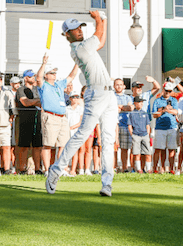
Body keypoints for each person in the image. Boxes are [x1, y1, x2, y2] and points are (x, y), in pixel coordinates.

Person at [46, 11, 119, 196]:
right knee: (82, 135)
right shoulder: (80, 48)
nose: (78, 30)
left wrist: (105, 19)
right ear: (67, 35)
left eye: (79, 27)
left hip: (109, 95)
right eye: (74, 29)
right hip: (96, 94)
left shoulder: (88, 46)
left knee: (108, 141)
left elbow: (101, 42)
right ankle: (55, 171)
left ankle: (107, 184)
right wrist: (98, 19)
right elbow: (98, 34)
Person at [36, 57, 78, 176]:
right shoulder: (43, 85)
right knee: (48, 144)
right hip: (50, 116)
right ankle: (48, 170)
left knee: (63, 144)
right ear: (46, 75)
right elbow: (38, 78)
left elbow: (71, 76)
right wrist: (43, 64)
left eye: (55, 73)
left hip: (62, 117)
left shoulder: (59, 85)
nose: (54, 74)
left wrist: (77, 64)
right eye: (51, 73)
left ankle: (59, 169)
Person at [15, 69, 43, 174]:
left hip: (38, 119)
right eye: (31, 76)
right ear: (26, 78)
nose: (33, 78)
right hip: (25, 119)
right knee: (24, 146)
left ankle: (37, 169)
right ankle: (22, 169)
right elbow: (25, 102)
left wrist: (34, 102)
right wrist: (37, 102)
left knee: (37, 146)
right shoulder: (21, 89)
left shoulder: (37, 89)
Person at [152, 82, 178, 174]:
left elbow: (176, 112)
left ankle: (171, 169)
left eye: (170, 91)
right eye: (166, 90)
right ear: (163, 90)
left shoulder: (174, 100)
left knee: (171, 149)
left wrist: (168, 110)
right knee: (159, 149)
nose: (168, 92)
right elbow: (154, 114)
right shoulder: (157, 101)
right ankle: (156, 169)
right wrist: (164, 110)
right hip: (160, 127)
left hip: (172, 127)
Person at [114, 78, 134, 173]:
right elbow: (112, 108)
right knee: (114, 147)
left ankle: (125, 167)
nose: (119, 86)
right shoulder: (111, 96)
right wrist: (123, 107)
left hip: (125, 124)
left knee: (125, 148)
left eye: (121, 84)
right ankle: (114, 167)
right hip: (114, 124)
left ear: (124, 86)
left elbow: (130, 108)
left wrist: (119, 107)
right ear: (114, 86)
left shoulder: (128, 97)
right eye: (117, 84)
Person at [128, 96, 151, 173]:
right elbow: (129, 125)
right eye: (139, 102)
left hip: (144, 135)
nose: (141, 104)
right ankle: (139, 169)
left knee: (147, 153)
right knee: (136, 153)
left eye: (142, 102)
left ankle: (148, 169)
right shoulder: (132, 113)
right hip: (136, 135)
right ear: (135, 103)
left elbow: (148, 125)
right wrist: (132, 134)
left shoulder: (145, 113)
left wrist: (147, 134)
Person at [66, 90, 83, 176]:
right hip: (66, 131)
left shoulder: (81, 109)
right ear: (70, 98)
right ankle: (65, 169)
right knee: (65, 150)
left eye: (77, 97)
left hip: (76, 131)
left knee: (75, 151)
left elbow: (81, 121)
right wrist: (67, 128)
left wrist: (72, 127)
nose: (75, 99)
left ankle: (73, 170)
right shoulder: (66, 108)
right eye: (74, 97)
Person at [9, 76, 22, 172]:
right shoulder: (9, 93)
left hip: (19, 119)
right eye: (15, 83)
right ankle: (12, 165)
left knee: (17, 144)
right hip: (10, 120)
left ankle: (17, 165)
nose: (17, 85)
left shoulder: (21, 92)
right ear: (11, 84)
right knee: (11, 145)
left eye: (19, 83)